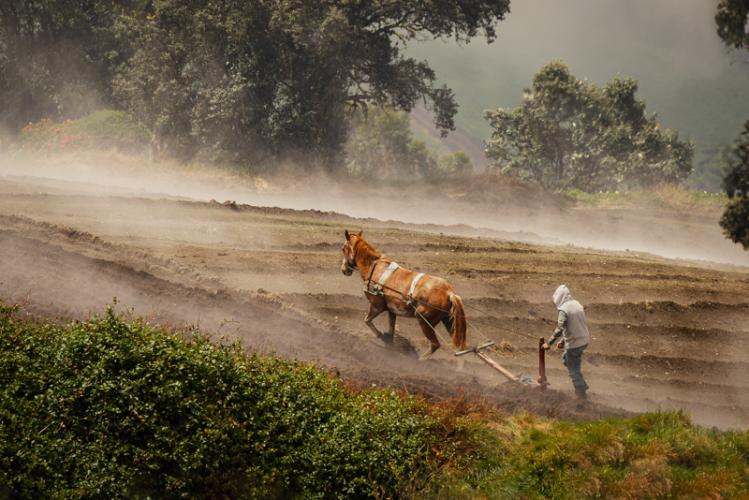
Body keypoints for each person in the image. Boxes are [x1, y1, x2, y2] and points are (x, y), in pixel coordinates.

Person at [543, 284, 590, 399]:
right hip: (584, 340)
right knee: (567, 359)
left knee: (573, 369)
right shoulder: (577, 304)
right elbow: (574, 325)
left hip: (574, 343)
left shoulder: (563, 310)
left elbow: (560, 328)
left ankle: (581, 394)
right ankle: (582, 384)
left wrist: (549, 343)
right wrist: (563, 341)